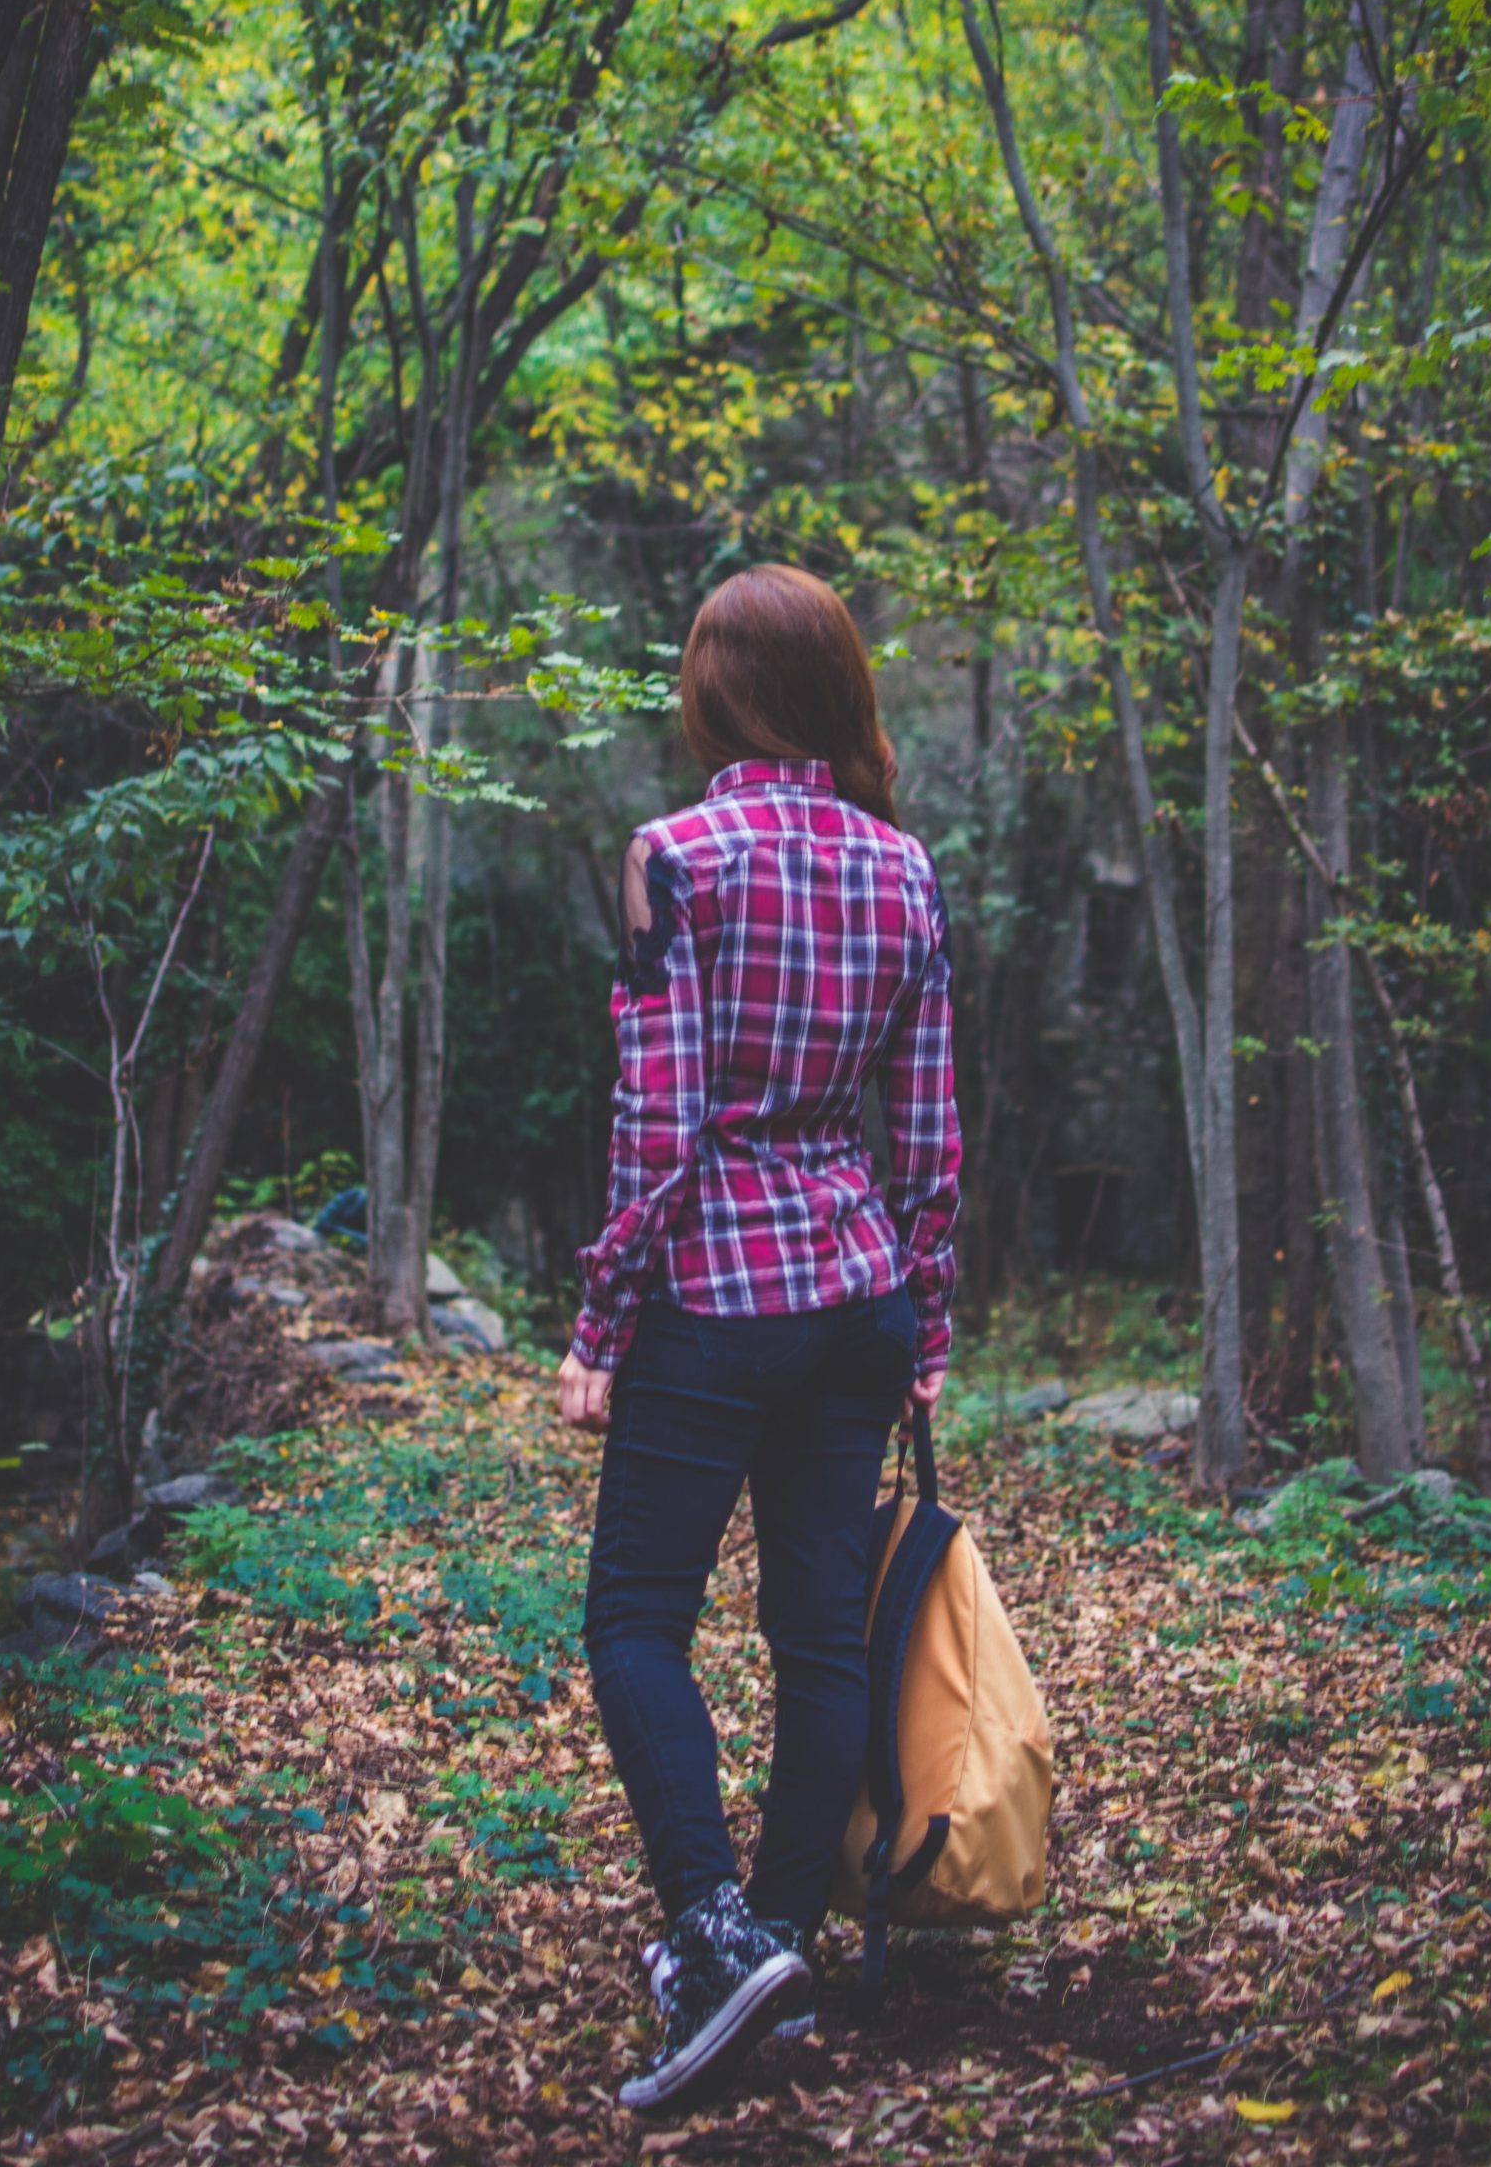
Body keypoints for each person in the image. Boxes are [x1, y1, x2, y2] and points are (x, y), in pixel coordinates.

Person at [557, 563, 961, 2112]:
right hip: (856, 1288)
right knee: (812, 1631)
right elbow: (926, 1129)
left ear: (720, 694)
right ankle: (778, 1943)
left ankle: (721, 1940)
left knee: (636, 1620)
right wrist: (925, 1310)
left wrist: (602, 1319)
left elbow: (658, 1123)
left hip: (718, 1297)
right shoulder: (902, 870)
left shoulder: (679, 855)